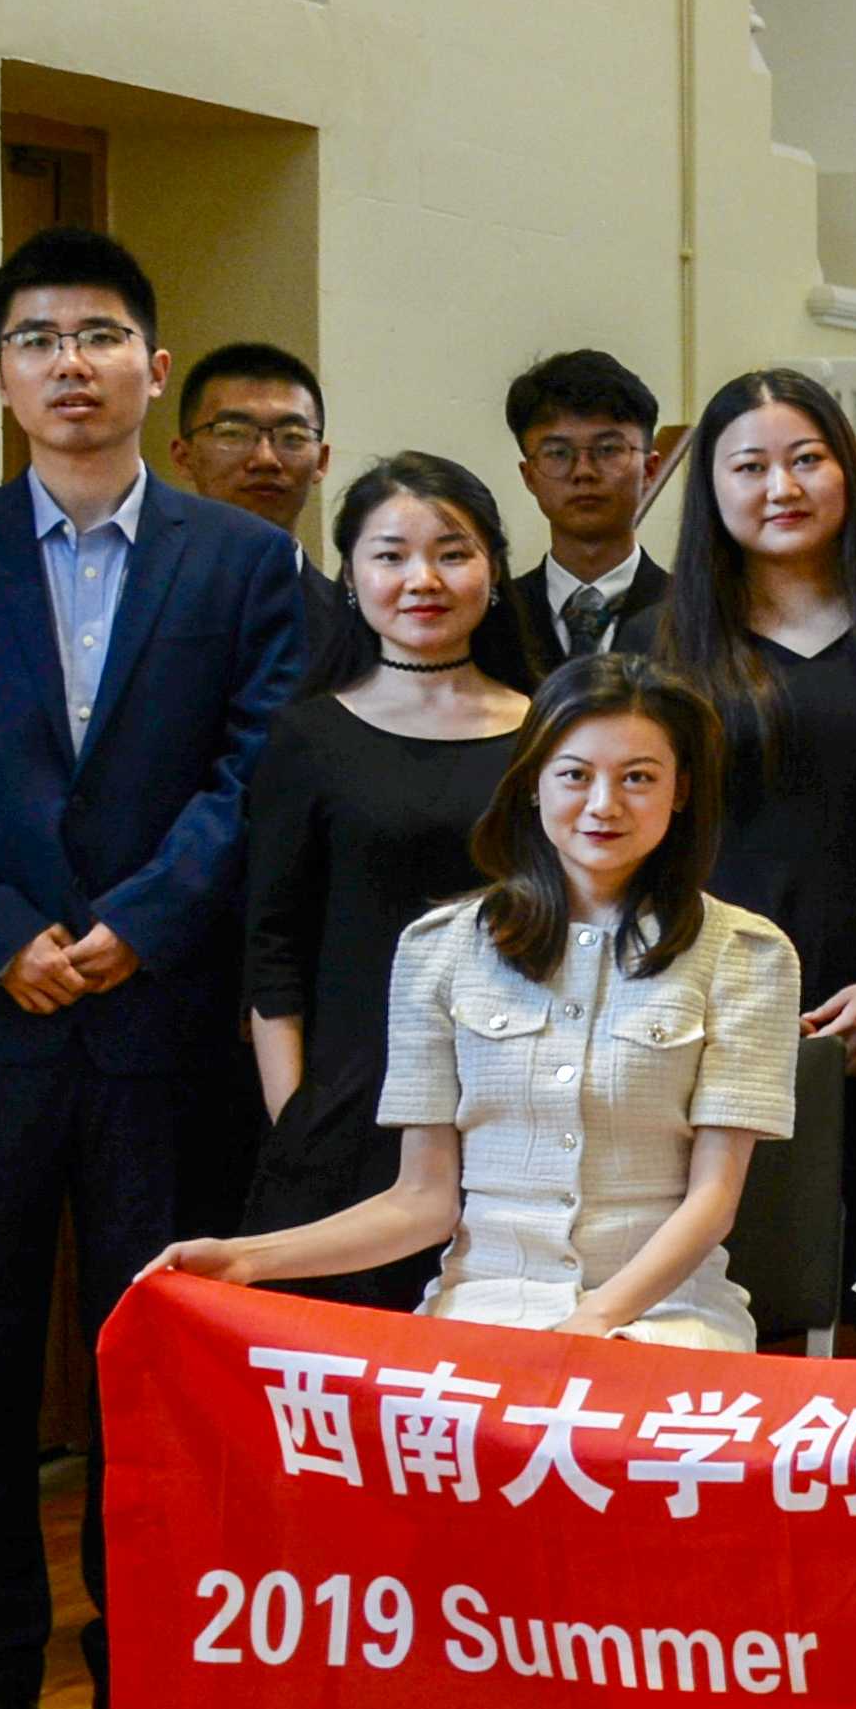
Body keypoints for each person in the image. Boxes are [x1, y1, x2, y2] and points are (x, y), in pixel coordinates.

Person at [157, 655, 801, 1709]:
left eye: (640, 777)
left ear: (681, 794)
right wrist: (249, 1257)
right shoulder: (441, 948)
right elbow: (420, 1203)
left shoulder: (747, 954)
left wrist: (596, 1320)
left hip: (660, 1308)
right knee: (423, 1447)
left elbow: (711, 1203)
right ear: (532, 782)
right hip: (483, 1301)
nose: (604, 803)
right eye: (576, 774)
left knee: (563, 1445)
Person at [0, 225, 308, 1709]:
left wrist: (139, 922)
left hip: (158, 1016)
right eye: (37, 337)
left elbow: (253, 763)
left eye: (98, 334)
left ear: (151, 367)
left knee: (152, 1366)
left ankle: (159, 1679)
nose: (69, 362)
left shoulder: (240, 561)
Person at [635, 366, 856, 1280]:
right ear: (711, 488)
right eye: (749, 467)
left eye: (807, 460)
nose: (781, 487)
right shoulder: (658, 640)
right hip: (705, 1005)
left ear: (849, 472)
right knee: (723, 1272)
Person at [241, 453, 533, 1314]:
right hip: (348, 1105)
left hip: (516, 1095)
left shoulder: (550, 727)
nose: (422, 580)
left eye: (453, 552)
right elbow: (272, 945)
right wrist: (295, 1115)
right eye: (391, 555)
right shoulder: (308, 736)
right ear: (350, 575)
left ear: (493, 568)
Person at [480, 348, 676, 688]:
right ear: (529, 476)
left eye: (608, 450)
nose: (583, 472)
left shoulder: (698, 612)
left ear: (650, 470)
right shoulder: (491, 618)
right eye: (558, 453)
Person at [171, 341, 356, 668]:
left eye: (292, 436)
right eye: (233, 433)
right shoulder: (137, 605)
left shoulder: (357, 630)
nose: (266, 459)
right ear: (183, 457)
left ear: (322, 461)